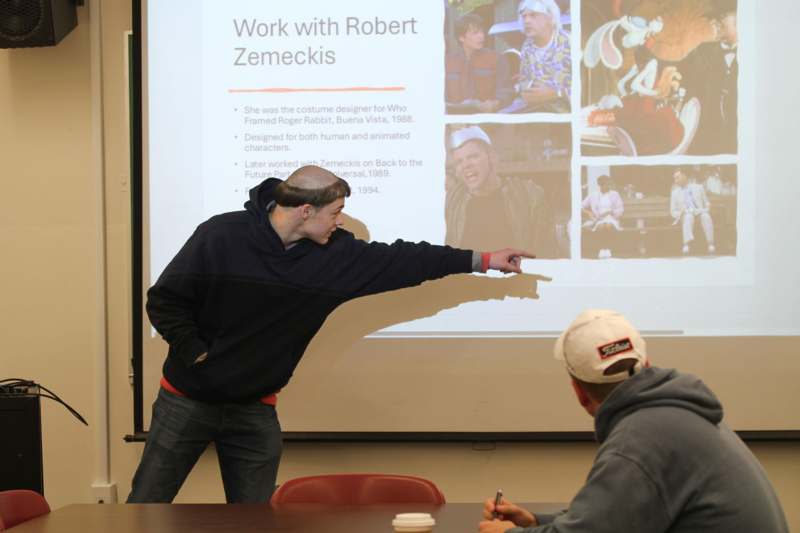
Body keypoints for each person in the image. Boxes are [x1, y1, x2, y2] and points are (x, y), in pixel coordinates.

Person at [128, 166, 532, 504]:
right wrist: (197, 352)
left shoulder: (336, 256)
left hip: (254, 410)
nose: (340, 220)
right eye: (336, 211)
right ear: (306, 210)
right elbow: (165, 301)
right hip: (185, 401)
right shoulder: (220, 235)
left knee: (254, 521)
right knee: (146, 506)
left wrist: (483, 260)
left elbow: (406, 259)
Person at [479, 309, 789, 533]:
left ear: (579, 392)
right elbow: (608, 518)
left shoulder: (640, 439)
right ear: (648, 365)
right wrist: (536, 522)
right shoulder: (674, 412)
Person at [445, 126, 558, 257]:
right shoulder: (452, 201)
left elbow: (546, 253)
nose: (465, 165)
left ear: (491, 157)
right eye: (459, 162)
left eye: (472, 156)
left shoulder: (528, 195)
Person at [685, 0, 738, 154]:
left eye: (722, 16)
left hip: (738, 142)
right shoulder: (702, 52)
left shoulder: (757, 55)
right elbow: (685, 79)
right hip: (706, 141)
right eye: (714, 18)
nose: (715, 22)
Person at [445, 13, 513, 113]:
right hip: (454, 120)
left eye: (482, 32)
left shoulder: (496, 59)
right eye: (475, 33)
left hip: (486, 120)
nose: (481, 36)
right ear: (461, 38)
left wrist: (496, 103)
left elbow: (506, 90)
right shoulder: (447, 62)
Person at [516, 0, 571, 112]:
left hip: (566, 115)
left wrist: (557, 93)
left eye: (533, 15)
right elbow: (525, 80)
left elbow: (589, 89)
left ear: (550, 18)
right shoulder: (527, 46)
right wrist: (523, 89)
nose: (527, 20)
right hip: (536, 111)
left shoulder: (570, 43)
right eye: (524, 16)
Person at [670, 169, 715, 254]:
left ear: (684, 176)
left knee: (706, 216)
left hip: (699, 212)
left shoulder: (698, 187)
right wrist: (682, 213)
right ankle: (686, 245)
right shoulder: (675, 193)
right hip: (685, 215)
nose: (675, 181)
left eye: (677, 178)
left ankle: (710, 244)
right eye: (675, 178)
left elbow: (706, 202)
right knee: (689, 216)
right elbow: (672, 211)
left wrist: (707, 208)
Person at [581, 174, 624, 258]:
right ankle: (602, 249)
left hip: (612, 218)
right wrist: (589, 213)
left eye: (609, 184)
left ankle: (607, 249)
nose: (608, 186)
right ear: (600, 185)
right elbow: (581, 206)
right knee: (601, 226)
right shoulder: (593, 195)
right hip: (599, 219)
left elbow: (620, 209)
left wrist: (611, 212)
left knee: (608, 225)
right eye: (605, 184)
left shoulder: (615, 194)